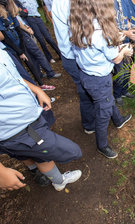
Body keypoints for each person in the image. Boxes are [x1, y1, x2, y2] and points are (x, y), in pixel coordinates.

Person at [0, 49, 82, 191]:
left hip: (18, 126)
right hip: (24, 129)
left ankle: (34, 170)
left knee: (24, 152)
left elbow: (11, 77)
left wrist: (37, 90)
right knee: (69, 151)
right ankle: (59, 181)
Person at [69, 0, 133, 159]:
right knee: (103, 113)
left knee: (105, 99)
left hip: (85, 74)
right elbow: (116, 59)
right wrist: (124, 51)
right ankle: (102, 145)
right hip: (100, 79)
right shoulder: (101, 33)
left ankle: (118, 120)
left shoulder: (78, 25)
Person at [52, 0, 95, 134]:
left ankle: (93, 118)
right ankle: (89, 124)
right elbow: (78, 34)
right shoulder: (68, 3)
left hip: (70, 55)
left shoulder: (57, 2)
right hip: (76, 56)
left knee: (86, 89)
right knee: (85, 91)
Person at [0, 0, 57, 91]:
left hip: (20, 45)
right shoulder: (1, 19)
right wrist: (19, 52)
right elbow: (5, 38)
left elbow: (18, 30)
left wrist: (22, 48)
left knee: (30, 63)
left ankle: (40, 85)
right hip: (11, 48)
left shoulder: (11, 14)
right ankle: (31, 90)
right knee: (21, 70)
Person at [113, 0, 135, 106]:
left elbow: (129, 22)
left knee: (127, 70)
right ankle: (117, 95)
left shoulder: (126, 3)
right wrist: (127, 33)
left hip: (128, 43)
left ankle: (124, 91)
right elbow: (110, 28)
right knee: (120, 71)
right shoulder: (113, 3)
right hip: (118, 44)